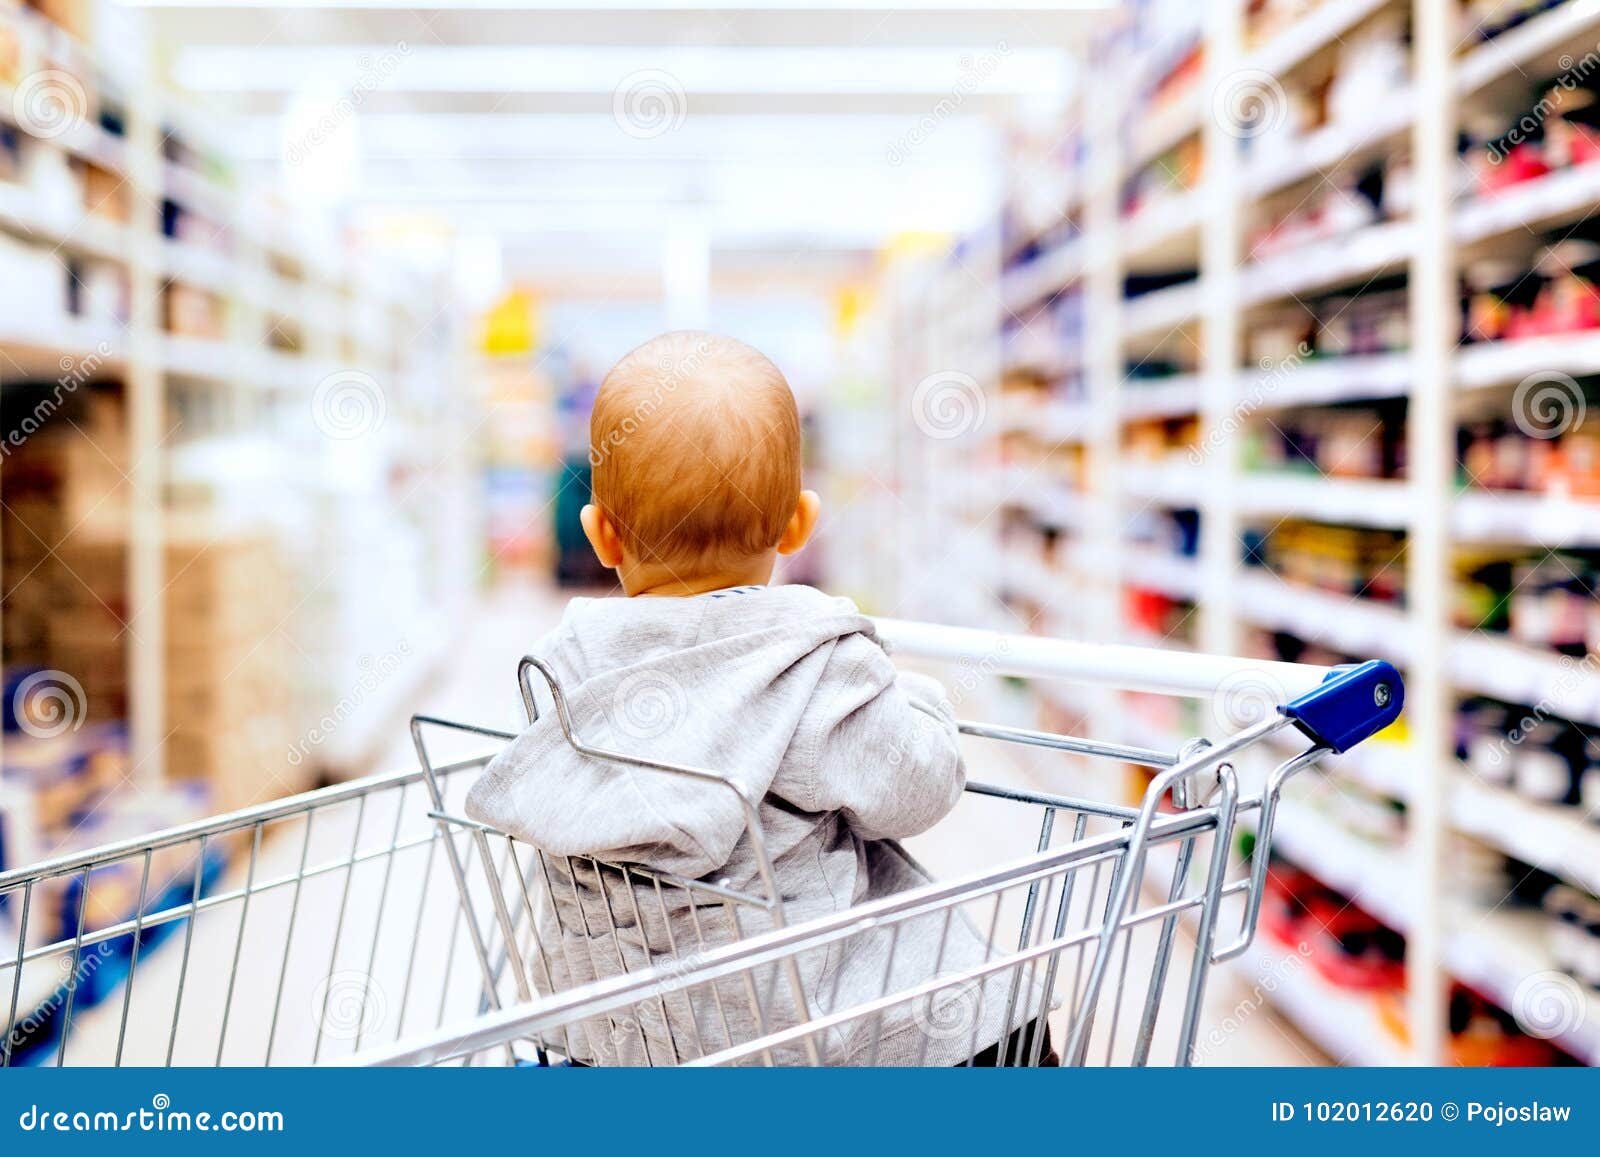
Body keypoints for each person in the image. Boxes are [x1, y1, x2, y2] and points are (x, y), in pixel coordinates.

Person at [466, 330, 1055, 1066]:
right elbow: (915, 790)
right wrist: (925, 702)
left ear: (603, 535)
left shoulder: (565, 668)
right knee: (1003, 1029)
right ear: (799, 523)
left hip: (633, 1035)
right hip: (811, 1028)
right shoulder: (813, 665)